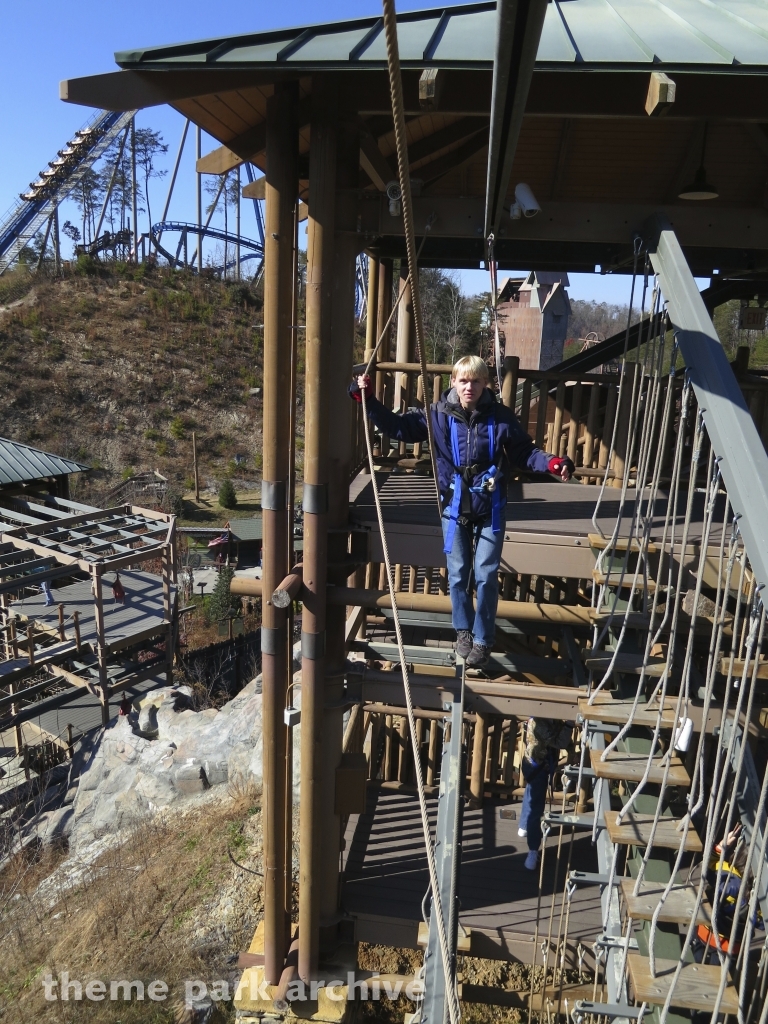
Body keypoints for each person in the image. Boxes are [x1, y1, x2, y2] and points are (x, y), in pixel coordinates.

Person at [350, 354, 574, 667]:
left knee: (485, 575)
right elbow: (398, 427)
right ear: (454, 382)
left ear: (485, 384)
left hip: (490, 507)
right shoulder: (438, 416)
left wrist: (553, 463)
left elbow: (525, 452)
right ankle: (463, 631)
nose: (470, 387)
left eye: (476, 381)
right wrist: (368, 400)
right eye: (464, 380)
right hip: (454, 507)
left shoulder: (500, 418)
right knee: (458, 575)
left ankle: (483, 639)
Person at [519, 717, 573, 870]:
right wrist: (569, 725)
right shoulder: (539, 722)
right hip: (537, 766)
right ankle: (533, 851)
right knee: (536, 808)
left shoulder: (550, 719)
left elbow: (562, 739)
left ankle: (523, 827)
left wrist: (571, 749)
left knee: (531, 794)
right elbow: (560, 742)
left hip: (534, 763)